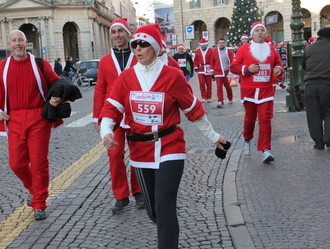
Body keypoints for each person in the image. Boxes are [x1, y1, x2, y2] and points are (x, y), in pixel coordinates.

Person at [99, 23, 226, 249]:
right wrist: (106, 130)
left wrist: (214, 136)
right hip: (140, 150)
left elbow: (193, 110)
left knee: (165, 203)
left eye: (144, 44)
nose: (137, 48)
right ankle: (167, 226)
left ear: (156, 48)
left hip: (170, 145)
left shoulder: (173, 76)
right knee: (154, 209)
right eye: (135, 44)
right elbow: (111, 108)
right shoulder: (126, 77)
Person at [0, 30, 63, 220]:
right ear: (9, 44)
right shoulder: (1, 68)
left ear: (26, 42)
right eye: (14, 41)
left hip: (38, 118)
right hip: (13, 119)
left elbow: (58, 85)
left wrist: (57, 99)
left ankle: (39, 203)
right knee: (16, 164)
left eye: (21, 40)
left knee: (38, 163)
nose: (18, 44)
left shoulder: (40, 64)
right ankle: (34, 190)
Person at [92, 18, 144, 214]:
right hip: (113, 115)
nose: (116, 36)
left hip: (136, 113)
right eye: (113, 32)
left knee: (138, 154)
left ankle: (139, 191)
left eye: (120, 31)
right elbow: (100, 88)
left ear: (128, 33)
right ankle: (121, 195)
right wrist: (97, 116)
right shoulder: (105, 61)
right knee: (114, 155)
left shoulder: (138, 54)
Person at [230, 22, 283, 162]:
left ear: (265, 34)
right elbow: (234, 67)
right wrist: (247, 69)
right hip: (249, 90)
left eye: (262, 30)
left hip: (266, 90)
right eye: (257, 30)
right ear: (252, 34)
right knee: (250, 119)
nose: (260, 32)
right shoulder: (243, 49)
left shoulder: (272, 49)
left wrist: (279, 69)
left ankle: (265, 150)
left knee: (265, 119)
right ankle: (246, 139)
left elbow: (278, 63)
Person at [302, 27, 330, 150]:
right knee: (328, 112)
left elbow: (304, 65)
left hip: (310, 85)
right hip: (327, 85)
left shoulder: (310, 48)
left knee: (313, 115)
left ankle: (318, 143)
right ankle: (328, 137)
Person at [210, 38, 234, 108]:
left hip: (227, 71)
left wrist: (232, 70)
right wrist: (212, 69)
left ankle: (230, 98)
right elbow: (212, 61)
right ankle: (220, 101)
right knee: (219, 87)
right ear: (218, 43)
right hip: (218, 72)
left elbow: (232, 60)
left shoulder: (229, 51)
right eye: (220, 43)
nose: (221, 44)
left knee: (228, 87)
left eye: (222, 42)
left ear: (225, 43)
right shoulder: (215, 51)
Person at [193, 38, 213, 102]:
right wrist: (195, 67)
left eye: (204, 45)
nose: (202, 46)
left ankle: (209, 97)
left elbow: (213, 60)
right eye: (201, 45)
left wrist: (213, 68)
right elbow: (195, 60)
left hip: (208, 69)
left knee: (209, 84)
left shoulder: (211, 50)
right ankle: (203, 96)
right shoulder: (198, 51)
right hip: (201, 69)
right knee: (201, 83)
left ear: (206, 44)